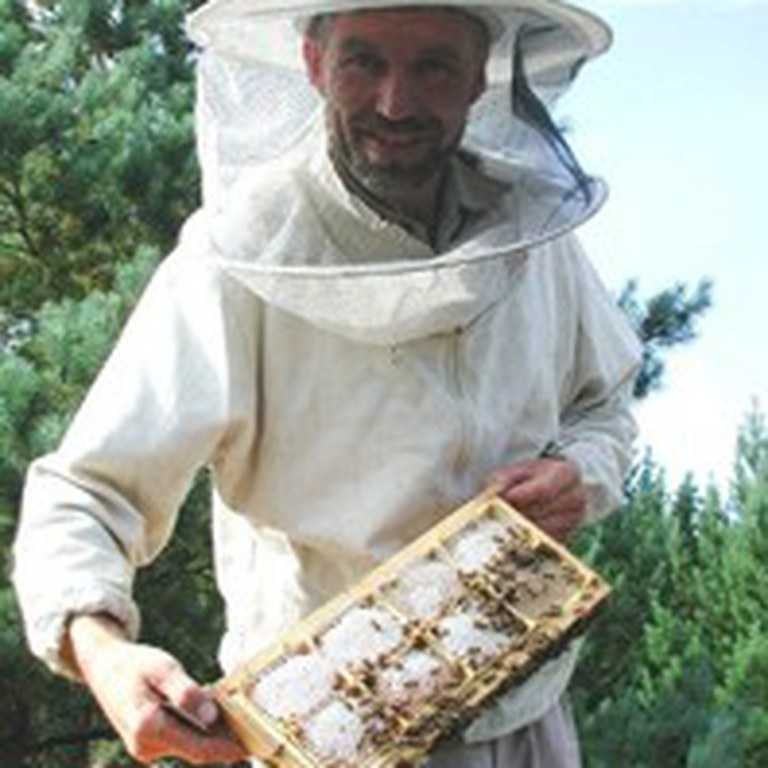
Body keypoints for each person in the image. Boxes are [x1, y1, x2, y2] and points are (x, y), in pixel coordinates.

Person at [13, 1, 642, 766]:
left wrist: (582, 472)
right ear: (314, 64)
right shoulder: (238, 253)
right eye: (365, 61)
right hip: (322, 730)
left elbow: (604, 404)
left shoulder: (535, 235)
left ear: (481, 74)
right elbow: (85, 491)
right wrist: (104, 654)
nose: (395, 102)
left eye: (433, 66)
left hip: (526, 716)